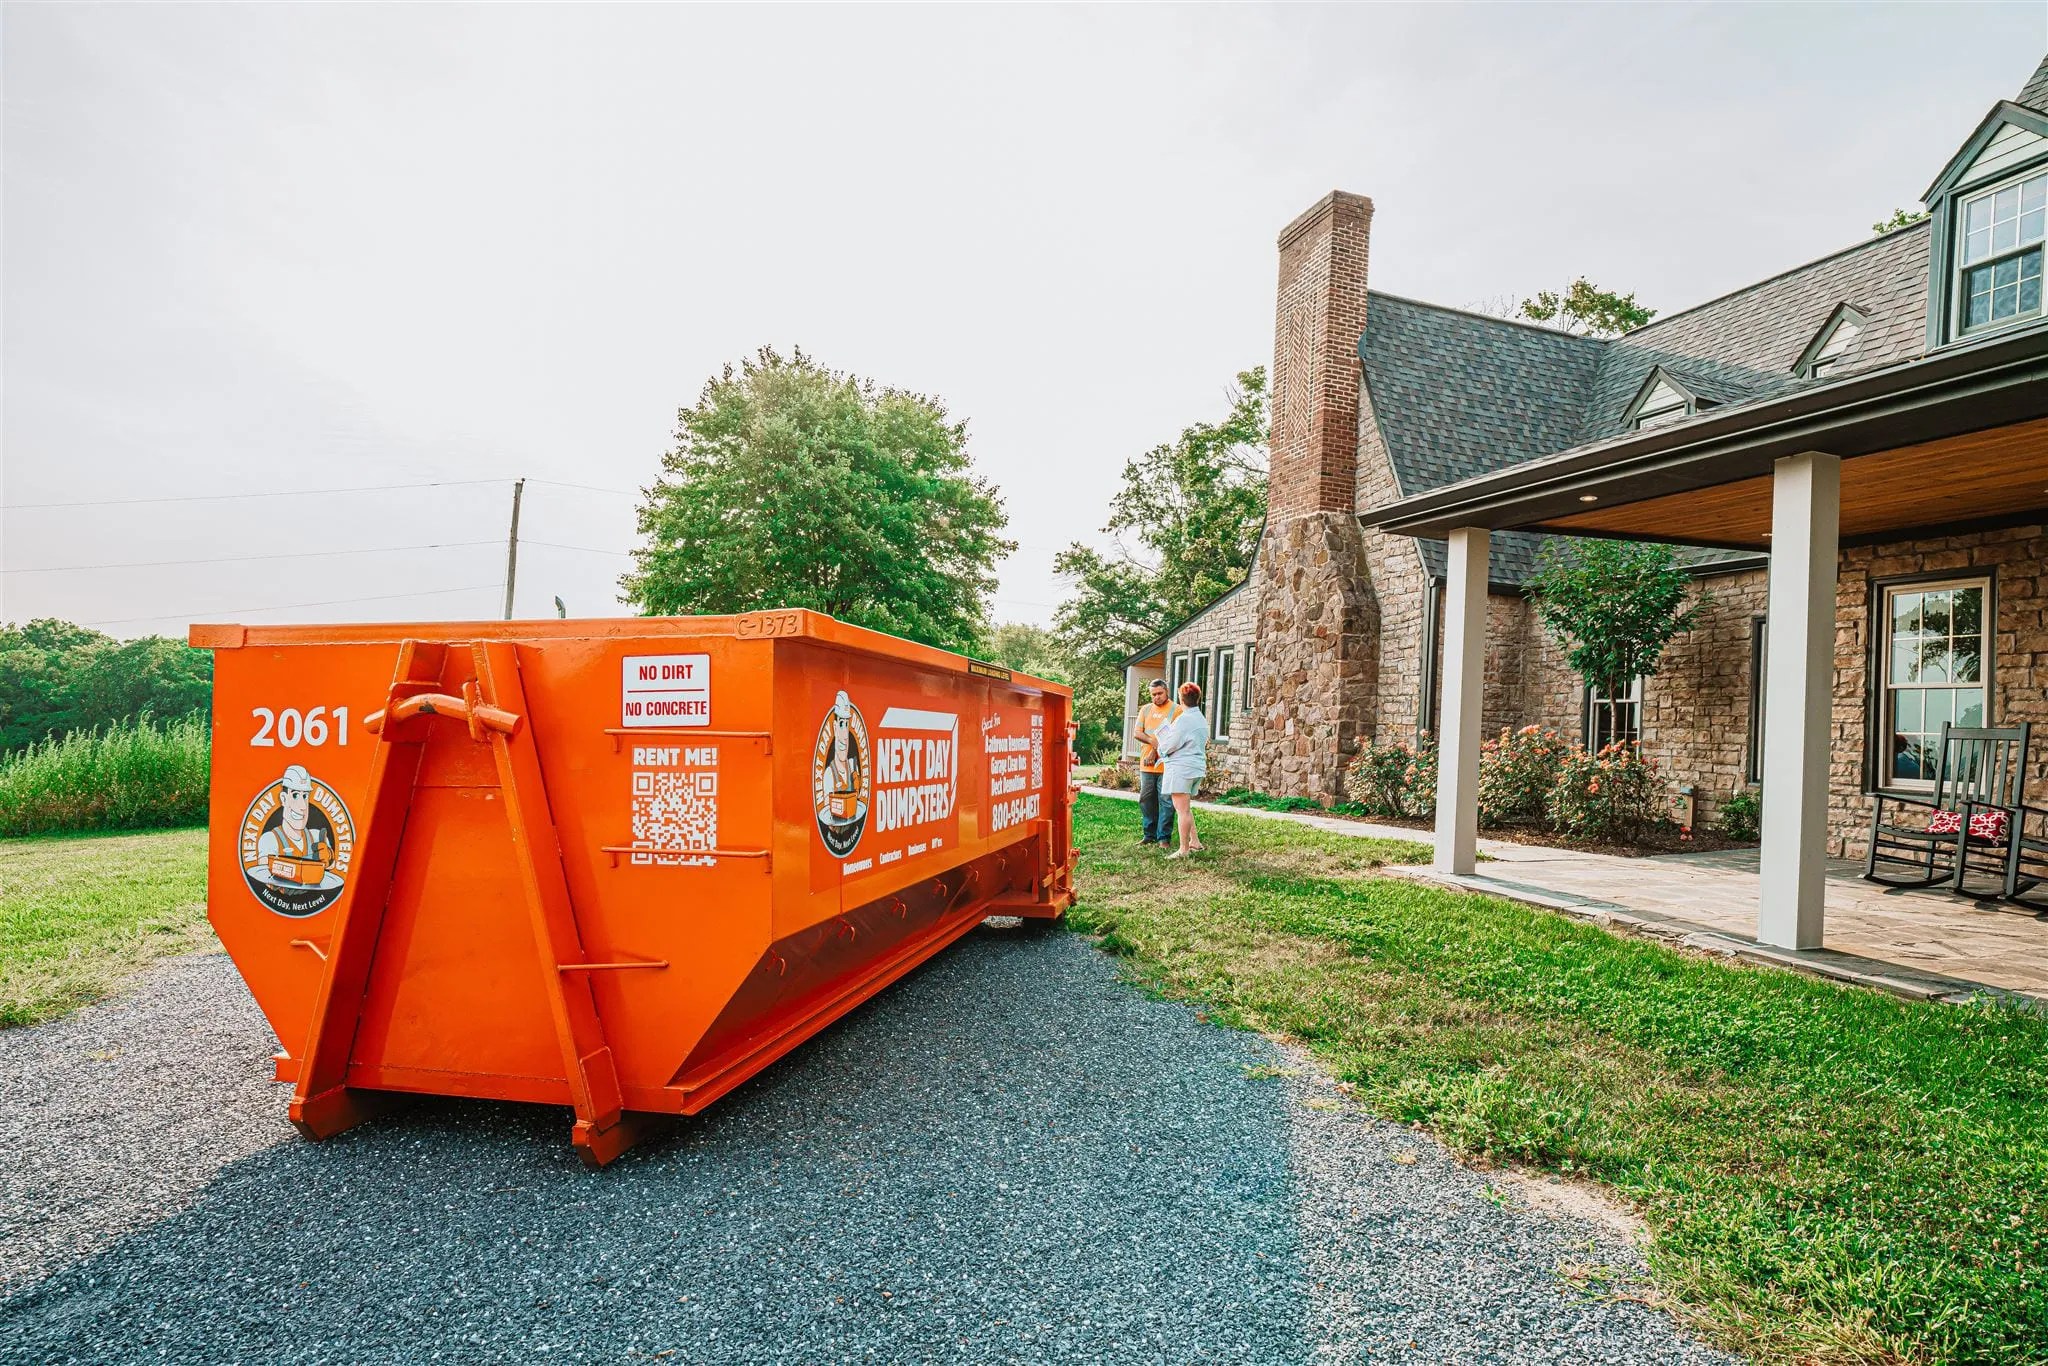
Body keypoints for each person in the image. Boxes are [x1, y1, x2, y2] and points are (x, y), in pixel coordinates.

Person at [1156, 681, 1208, 859]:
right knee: (1186, 807)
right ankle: (1195, 842)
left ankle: (1183, 849)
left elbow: (1170, 744)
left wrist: (1161, 748)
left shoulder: (1184, 719)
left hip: (1181, 768)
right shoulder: (1200, 718)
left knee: (1182, 810)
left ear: (1181, 698)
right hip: (1195, 767)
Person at [1131, 678, 1182, 847]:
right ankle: (1149, 835)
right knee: (1146, 799)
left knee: (1166, 801)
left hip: (1167, 764)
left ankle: (1163, 838)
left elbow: (1172, 737)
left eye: (1159, 693)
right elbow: (1137, 733)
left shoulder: (1177, 710)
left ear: (1167, 691)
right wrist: (1153, 743)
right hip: (1146, 765)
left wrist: (1155, 751)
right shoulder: (1145, 710)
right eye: (1153, 694)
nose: (1156, 697)